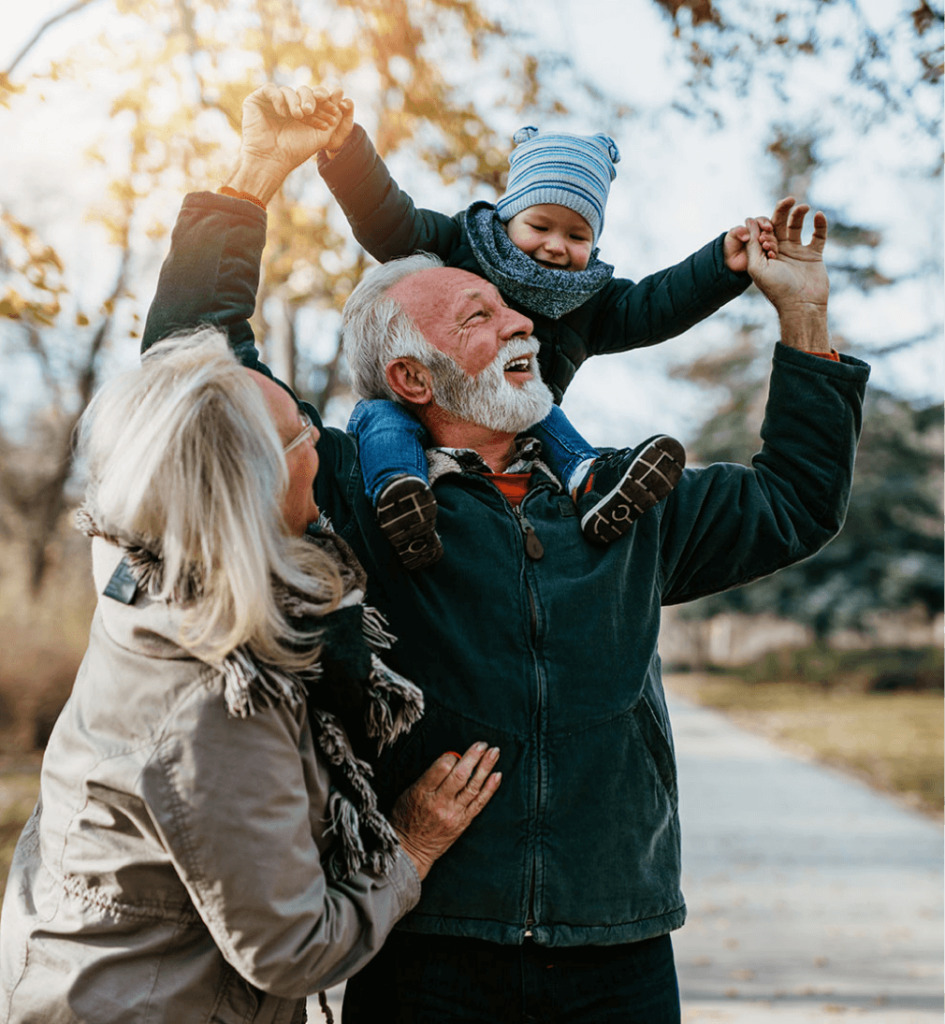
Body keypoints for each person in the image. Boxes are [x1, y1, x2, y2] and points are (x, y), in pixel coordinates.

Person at [141, 84, 869, 1023]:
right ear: (411, 376)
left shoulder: (621, 497)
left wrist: (801, 318)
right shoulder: (353, 492)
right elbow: (195, 372)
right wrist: (252, 177)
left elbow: (794, 501)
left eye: (515, 314)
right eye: (479, 316)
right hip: (429, 940)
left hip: (619, 939)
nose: (527, 321)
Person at [0, 328, 501, 1024]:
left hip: (79, 978)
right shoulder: (219, 694)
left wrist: (226, 217)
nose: (322, 445)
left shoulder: (143, 563)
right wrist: (410, 848)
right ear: (251, 486)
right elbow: (294, 949)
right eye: (302, 435)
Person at [314, 90, 776, 567]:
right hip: (425, 403)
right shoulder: (462, 247)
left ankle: (593, 484)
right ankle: (399, 494)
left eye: (577, 236)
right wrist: (345, 152)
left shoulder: (590, 301)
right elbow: (389, 221)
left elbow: (658, 304)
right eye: (540, 225)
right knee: (378, 416)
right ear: (509, 214)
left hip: (515, 429)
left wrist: (723, 264)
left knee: (540, 405)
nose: (557, 246)